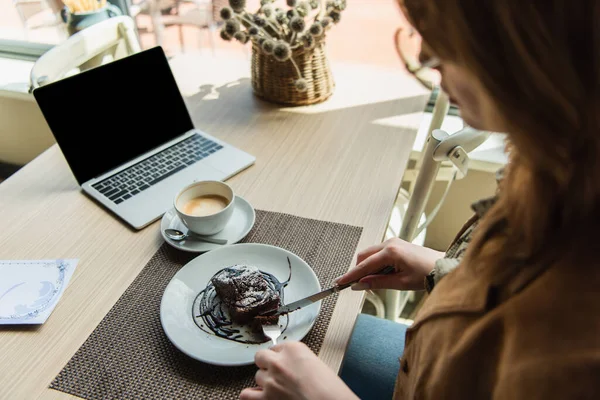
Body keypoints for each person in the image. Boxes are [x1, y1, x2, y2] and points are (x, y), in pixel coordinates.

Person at [239, 0, 600, 398]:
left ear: (532, 49)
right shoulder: (551, 166)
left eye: (447, 40)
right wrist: (444, 271)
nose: (425, 56)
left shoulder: (577, 349)